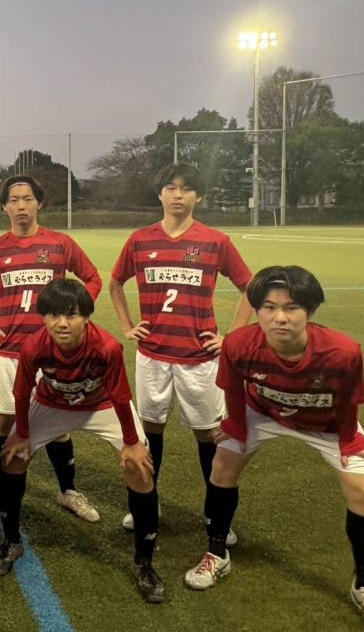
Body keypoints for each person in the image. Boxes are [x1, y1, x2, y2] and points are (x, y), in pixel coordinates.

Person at [184, 266, 364, 630]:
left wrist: (349, 440)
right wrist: (235, 426)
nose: (280, 318)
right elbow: (233, 389)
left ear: (309, 311)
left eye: (292, 308)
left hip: (325, 421)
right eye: (269, 307)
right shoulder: (238, 344)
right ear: (257, 310)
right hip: (262, 412)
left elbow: (349, 401)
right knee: (222, 466)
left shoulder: (343, 351)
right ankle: (217, 551)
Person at [0, 279, 164, 603]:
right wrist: (22, 434)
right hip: (51, 404)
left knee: (139, 468)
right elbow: (21, 392)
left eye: (71, 315)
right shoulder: (33, 346)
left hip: (101, 405)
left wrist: (131, 442)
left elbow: (121, 395)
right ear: (43, 317)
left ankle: (144, 562)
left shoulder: (107, 347)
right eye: (53, 315)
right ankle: (11, 541)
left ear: (86, 317)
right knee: (13, 458)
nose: (61, 323)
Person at [109, 162, 252, 538]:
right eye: (171, 188)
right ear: (160, 194)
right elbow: (115, 283)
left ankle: (216, 516)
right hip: (153, 355)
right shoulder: (140, 240)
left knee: (208, 435)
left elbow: (249, 288)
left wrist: (232, 337)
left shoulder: (215, 241)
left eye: (186, 189)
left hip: (200, 360)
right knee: (150, 430)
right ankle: (148, 503)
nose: (178, 195)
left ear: (197, 196)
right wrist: (127, 326)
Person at [0, 175, 103, 522]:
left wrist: (74, 314)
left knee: (58, 425)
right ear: (4, 206)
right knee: (4, 421)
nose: (21, 206)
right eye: (14, 200)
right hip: (9, 351)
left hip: (51, 354)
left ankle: (68, 491)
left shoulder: (60, 244)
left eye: (27, 199)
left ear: (39, 203)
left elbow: (93, 278)